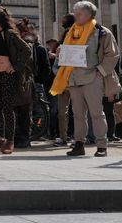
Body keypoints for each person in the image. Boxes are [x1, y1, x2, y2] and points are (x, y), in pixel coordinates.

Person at [50, 1, 121, 158]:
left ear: (89, 15)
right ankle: (79, 144)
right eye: (75, 12)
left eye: (79, 13)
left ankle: (101, 145)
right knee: (77, 114)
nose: (75, 15)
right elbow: (67, 57)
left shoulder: (102, 32)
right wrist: (61, 52)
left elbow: (113, 55)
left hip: (92, 78)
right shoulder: (71, 32)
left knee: (96, 113)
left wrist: (100, 72)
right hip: (73, 79)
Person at [0, 6, 32, 155]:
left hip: (7, 75)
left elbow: (27, 50)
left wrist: (15, 66)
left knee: (8, 108)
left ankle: (10, 141)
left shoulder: (9, 34)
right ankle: (0, 139)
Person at [14, 19, 50, 148]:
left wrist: (38, 79)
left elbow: (45, 68)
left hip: (32, 83)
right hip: (22, 82)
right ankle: (20, 137)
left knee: (32, 111)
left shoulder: (38, 48)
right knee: (21, 111)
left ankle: (28, 136)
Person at [53, 14, 75, 147]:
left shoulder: (79, 49)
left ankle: (77, 137)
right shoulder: (60, 50)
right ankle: (63, 137)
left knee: (77, 112)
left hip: (76, 83)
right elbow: (55, 67)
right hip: (63, 83)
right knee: (62, 112)